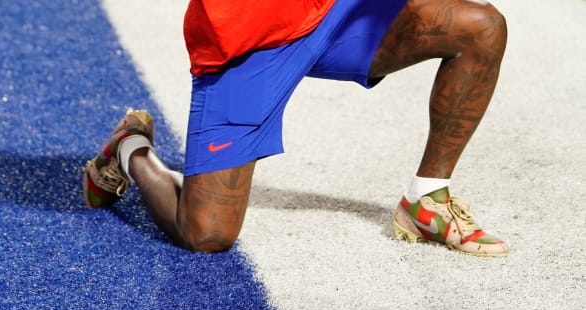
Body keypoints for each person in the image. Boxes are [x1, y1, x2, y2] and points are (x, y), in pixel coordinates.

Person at [83, 0, 509, 256]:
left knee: (480, 29)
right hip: (250, 40)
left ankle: (427, 200)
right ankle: (131, 148)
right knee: (207, 234)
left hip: (337, 12)